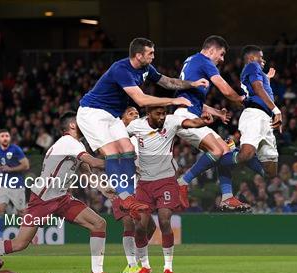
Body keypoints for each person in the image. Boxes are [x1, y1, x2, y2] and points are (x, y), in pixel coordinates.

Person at [0, 112, 122, 273]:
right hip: (42, 199)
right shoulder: (68, 142)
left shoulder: (76, 144)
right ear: (72, 126)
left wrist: (106, 190)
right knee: (20, 243)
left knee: (99, 223)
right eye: (80, 121)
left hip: (62, 198)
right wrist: (123, 162)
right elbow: (94, 162)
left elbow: (87, 172)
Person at [76, 37, 204, 215]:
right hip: (93, 113)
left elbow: (166, 81)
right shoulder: (121, 69)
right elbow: (141, 100)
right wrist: (173, 100)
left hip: (113, 115)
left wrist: (192, 84)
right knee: (113, 152)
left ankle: (130, 197)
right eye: (150, 53)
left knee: (128, 149)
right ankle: (124, 197)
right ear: (138, 55)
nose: (153, 56)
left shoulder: (145, 68)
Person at [126, 106, 214, 273]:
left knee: (165, 221)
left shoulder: (171, 121)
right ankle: (145, 266)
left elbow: (191, 123)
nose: (161, 117)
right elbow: (119, 137)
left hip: (165, 181)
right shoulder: (136, 126)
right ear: (148, 113)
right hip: (143, 184)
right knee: (140, 226)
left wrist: (202, 121)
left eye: (163, 113)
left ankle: (168, 269)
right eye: (157, 113)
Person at [174, 35, 258, 210]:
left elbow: (191, 100)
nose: (222, 59)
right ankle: (182, 182)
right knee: (218, 150)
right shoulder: (204, 62)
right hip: (185, 117)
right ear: (211, 50)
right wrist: (242, 99)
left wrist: (216, 112)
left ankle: (227, 197)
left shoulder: (192, 61)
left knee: (225, 150)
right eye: (221, 54)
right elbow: (224, 88)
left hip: (188, 113)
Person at [216, 45, 282, 209]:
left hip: (265, 120)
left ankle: (233, 150)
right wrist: (276, 110)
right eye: (261, 57)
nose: (263, 59)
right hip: (255, 115)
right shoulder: (252, 66)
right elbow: (257, 88)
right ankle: (219, 157)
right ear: (252, 58)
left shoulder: (256, 71)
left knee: (270, 173)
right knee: (245, 155)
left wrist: (267, 77)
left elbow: (258, 85)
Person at [116, 107, 156, 273]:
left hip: (141, 187)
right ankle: (134, 266)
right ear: (122, 118)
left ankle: (134, 262)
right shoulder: (117, 137)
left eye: (137, 114)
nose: (135, 116)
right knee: (129, 225)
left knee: (150, 226)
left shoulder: (139, 138)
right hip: (123, 186)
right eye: (130, 114)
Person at [0, 129, 30, 241]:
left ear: (9, 138)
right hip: (3, 185)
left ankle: (31, 235)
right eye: (2, 136)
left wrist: (11, 169)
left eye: (7, 136)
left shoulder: (16, 149)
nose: (5, 138)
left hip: (17, 185)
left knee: (21, 212)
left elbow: (26, 165)